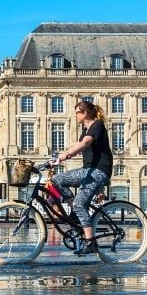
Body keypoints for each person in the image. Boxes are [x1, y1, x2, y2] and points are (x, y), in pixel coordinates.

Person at [53, 100, 113, 255]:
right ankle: (75, 209)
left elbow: (86, 143)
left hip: (99, 170)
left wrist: (67, 155)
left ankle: (91, 241)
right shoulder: (84, 130)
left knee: (79, 204)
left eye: (77, 113)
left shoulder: (97, 125)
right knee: (58, 179)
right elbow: (78, 144)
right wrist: (55, 158)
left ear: (85, 113)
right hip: (88, 171)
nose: (75, 116)